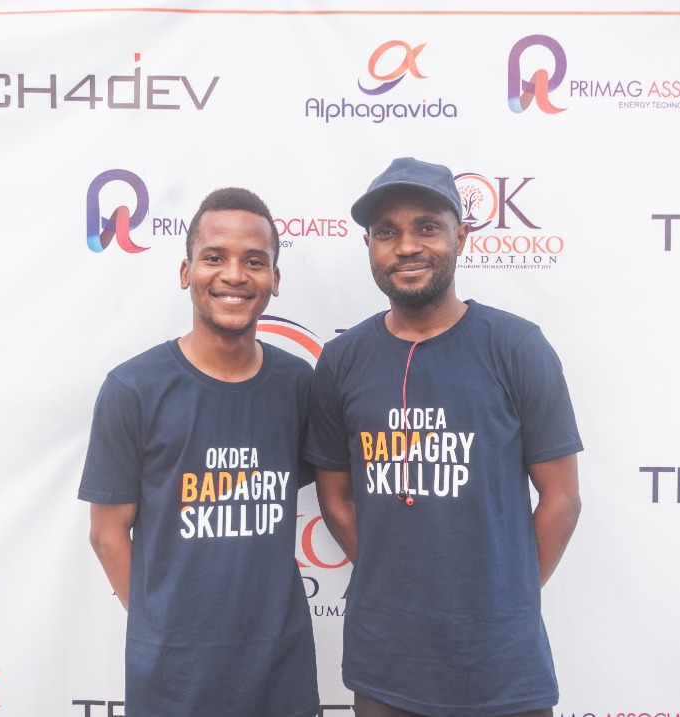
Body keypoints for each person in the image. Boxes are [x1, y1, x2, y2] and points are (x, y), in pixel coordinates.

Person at [304, 158, 583, 717]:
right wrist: (389, 577)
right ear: (369, 246)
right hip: (386, 661)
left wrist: (505, 597)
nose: (407, 246)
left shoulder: (517, 346)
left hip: (501, 664)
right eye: (387, 232)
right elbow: (334, 497)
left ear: (461, 235)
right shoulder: (341, 361)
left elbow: (562, 499)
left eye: (427, 227)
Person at [79, 187, 319, 717]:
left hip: (282, 671)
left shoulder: (298, 384)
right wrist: (162, 625)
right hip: (174, 679)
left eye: (254, 261)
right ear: (186, 271)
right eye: (214, 257)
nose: (234, 275)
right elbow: (107, 534)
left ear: (275, 279)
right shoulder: (133, 389)